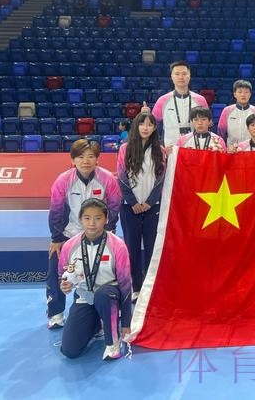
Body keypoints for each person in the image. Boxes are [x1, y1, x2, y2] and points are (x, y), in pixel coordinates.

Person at [46, 139, 121, 330]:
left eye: (90, 157)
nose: (85, 161)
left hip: (99, 234)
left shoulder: (107, 179)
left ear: (97, 159)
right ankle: (56, 313)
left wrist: (108, 230)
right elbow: (55, 210)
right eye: (80, 157)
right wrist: (57, 239)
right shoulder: (63, 180)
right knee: (56, 268)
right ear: (72, 160)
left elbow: (114, 206)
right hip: (69, 235)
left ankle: (101, 312)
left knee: (103, 273)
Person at [58, 199, 132, 360]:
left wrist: (127, 322)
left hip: (109, 296)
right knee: (70, 351)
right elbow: (62, 275)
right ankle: (97, 324)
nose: (92, 223)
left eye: (98, 218)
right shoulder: (69, 246)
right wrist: (64, 286)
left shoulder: (118, 246)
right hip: (84, 297)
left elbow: (126, 286)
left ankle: (113, 343)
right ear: (80, 219)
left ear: (106, 219)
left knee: (103, 294)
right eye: (87, 218)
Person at [116, 112, 166, 301]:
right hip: (130, 207)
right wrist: (134, 203)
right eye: (142, 124)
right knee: (132, 248)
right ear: (136, 126)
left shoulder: (160, 150)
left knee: (152, 248)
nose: (146, 127)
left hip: (153, 207)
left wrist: (149, 202)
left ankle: (150, 287)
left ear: (154, 128)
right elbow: (121, 178)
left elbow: (161, 179)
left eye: (150, 124)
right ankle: (135, 286)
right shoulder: (125, 149)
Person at [151, 60, 208, 149]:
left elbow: (207, 124)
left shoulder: (200, 100)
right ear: (172, 76)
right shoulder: (162, 101)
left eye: (184, 74)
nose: (181, 77)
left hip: (196, 148)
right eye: (177, 74)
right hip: (171, 149)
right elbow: (153, 124)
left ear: (189, 76)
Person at [217, 79, 255, 150]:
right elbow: (221, 132)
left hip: (252, 150)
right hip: (232, 150)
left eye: (246, 92)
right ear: (234, 94)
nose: (243, 95)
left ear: (250, 94)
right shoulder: (227, 111)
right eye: (240, 92)